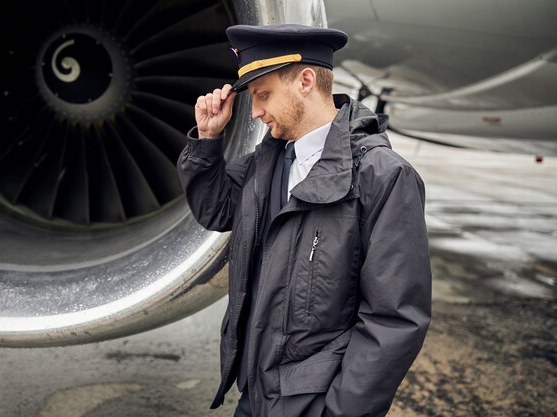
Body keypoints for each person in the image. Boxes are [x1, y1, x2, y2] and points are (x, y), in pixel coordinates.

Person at [177, 24, 431, 417]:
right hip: (254, 395)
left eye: (263, 95)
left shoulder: (383, 177)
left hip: (315, 405)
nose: (257, 111)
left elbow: (393, 320)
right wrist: (207, 142)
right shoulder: (266, 164)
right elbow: (217, 211)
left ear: (306, 81)